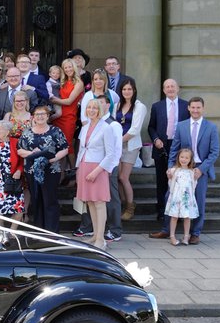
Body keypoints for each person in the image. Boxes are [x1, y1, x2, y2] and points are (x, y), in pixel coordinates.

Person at [150, 97, 220, 245]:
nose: (195, 110)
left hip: (200, 168)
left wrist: (201, 169)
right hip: (182, 167)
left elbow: (214, 152)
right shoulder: (181, 126)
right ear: (188, 108)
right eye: (193, 107)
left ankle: (195, 233)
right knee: (170, 196)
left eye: (198, 107)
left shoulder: (211, 127)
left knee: (198, 200)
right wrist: (171, 168)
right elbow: (174, 149)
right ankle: (167, 229)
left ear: (203, 108)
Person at [75, 98, 120, 249]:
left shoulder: (106, 128)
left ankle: (101, 239)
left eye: (94, 108)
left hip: (98, 168)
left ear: (100, 110)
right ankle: (95, 235)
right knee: (90, 202)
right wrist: (78, 168)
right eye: (89, 107)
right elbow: (82, 149)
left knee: (99, 203)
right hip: (84, 166)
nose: (91, 110)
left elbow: (110, 154)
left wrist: (97, 171)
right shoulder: (85, 127)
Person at [17, 105, 70, 232]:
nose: (40, 116)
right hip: (32, 171)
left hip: (51, 170)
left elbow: (65, 149)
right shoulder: (27, 132)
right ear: (33, 117)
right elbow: (19, 150)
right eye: (37, 114)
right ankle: (39, 231)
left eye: (43, 114)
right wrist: (35, 154)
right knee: (36, 200)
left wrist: (52, 158)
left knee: (50, 200)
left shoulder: (55, 131)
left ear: (47, 116)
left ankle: (52, 232)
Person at [148, 79, 189, 221]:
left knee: (180, 180)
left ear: (178, 88)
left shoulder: (186, 106)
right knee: (162, 181)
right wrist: (155, 139)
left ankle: (180, 212)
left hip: (180, 148)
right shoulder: (157, 106)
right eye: (167, 87)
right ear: (164, 90)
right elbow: (151, 127)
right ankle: (162, 211)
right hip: (161, 147)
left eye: (172, 86)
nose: (170, 89)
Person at [115, 77, 148, 220]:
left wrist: (119, 141)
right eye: (124, 89)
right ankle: (123, 203)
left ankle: (130, 207)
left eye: (129, 89)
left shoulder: (139, 107)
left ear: (134, 90)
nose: (126, 91)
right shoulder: (117, 105)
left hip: (130, 145)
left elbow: (135, 129)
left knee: (124, 177)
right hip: (116, 145)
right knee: (117, 177)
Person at [50, 58, 84, 168]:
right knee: (58, 145)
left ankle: (74, 171)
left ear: (74, 68)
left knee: (68, 145)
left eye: (70, 67)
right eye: (65, 68)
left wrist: (53, 100)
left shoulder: (78, 83)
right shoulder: (62, 81)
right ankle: (61, 172)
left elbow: (69, 101)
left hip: (69, 117)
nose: (68, 69)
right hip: (58, 117)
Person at [165, 148, 200, 246]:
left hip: (187, 198)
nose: (184, 159)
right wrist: (169, 176)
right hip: (176, 197)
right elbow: (171, 183)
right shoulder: (174, 170)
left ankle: (186, 236)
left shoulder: (192, 172)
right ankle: (172, 236)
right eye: (182, 157)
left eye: (186, 158)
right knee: (174, 216)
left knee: (187, 217)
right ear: (178, 158)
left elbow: (193, 185)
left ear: (190, 160)